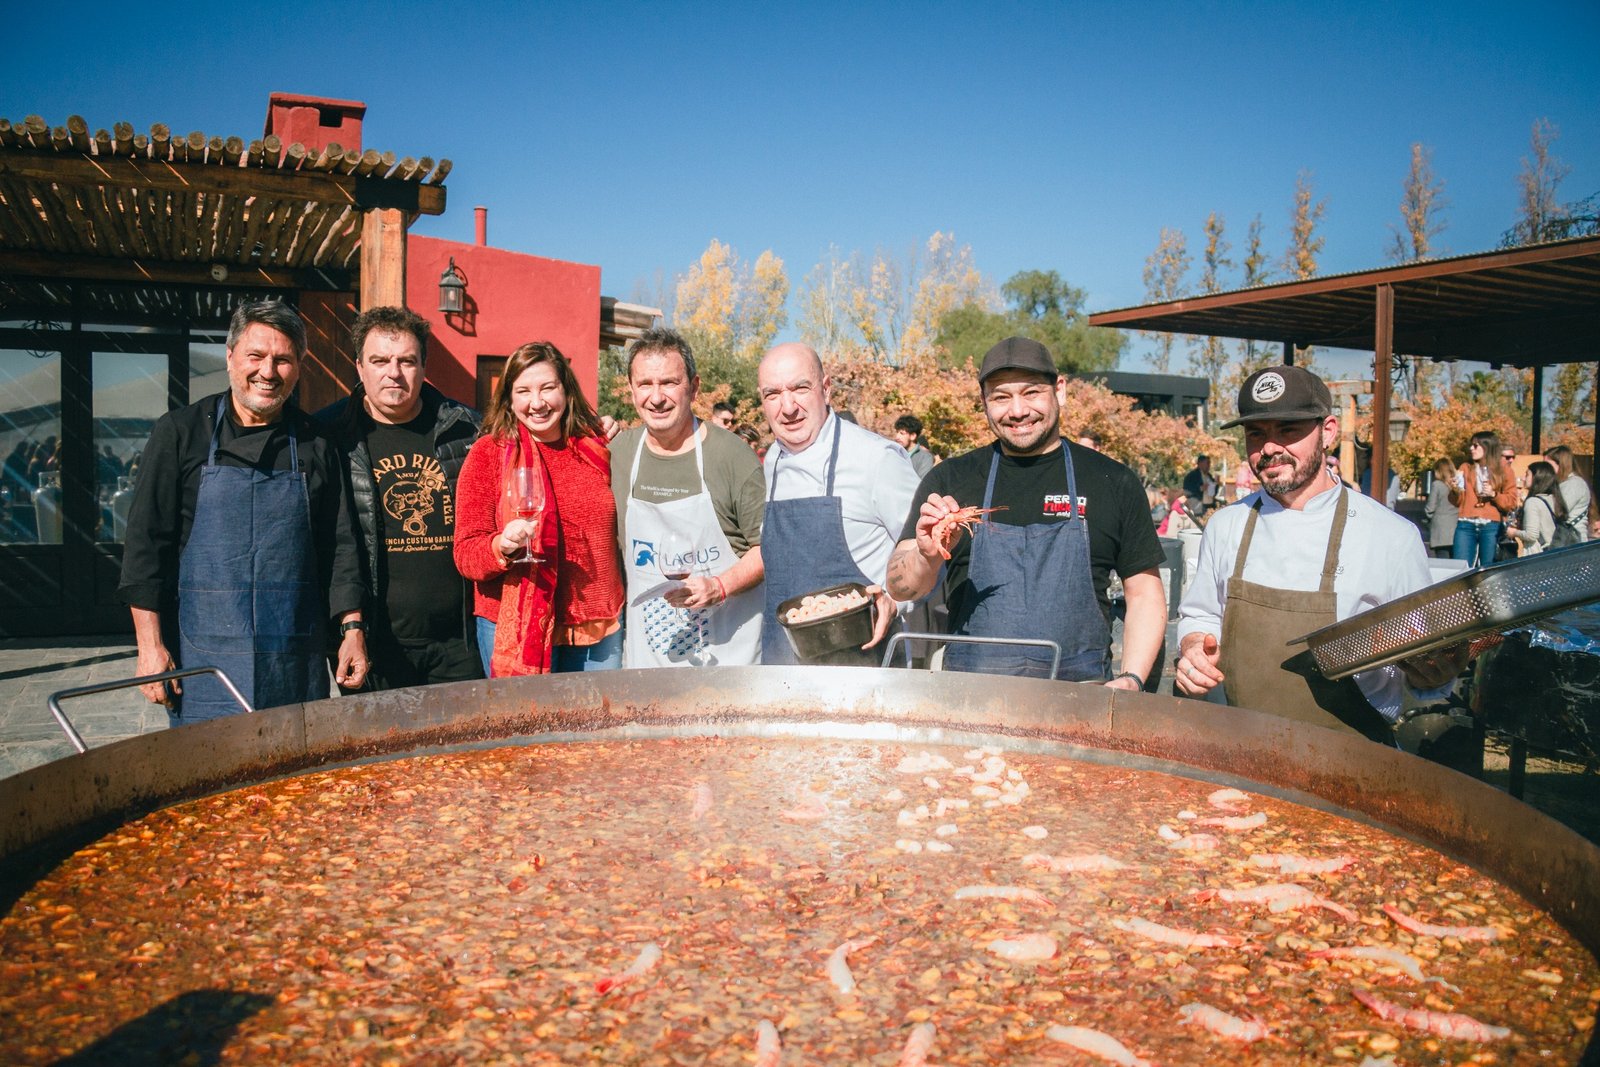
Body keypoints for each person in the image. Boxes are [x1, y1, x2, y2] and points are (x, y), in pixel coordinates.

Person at [1175, 366, 1456, 741]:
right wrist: (1195, 648)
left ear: (1328, 432)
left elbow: (1425, 670)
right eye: (1256, 434)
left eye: (1288, 429)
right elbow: (1202, 614)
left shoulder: (1390, 537)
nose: (1270, 447)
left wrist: (1432, 671)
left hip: (1353, 758)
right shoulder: (1226, 525)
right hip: (1241, 750)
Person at [119, 299, 367, 720]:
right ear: (231, 357)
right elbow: (146, 548)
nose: (268, 372)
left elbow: (340, 547)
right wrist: (150, 646)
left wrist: (352, 630)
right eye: (256, 356)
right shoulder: (180, 432)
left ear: (300, 366)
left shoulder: (316, 441)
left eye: (283, 360)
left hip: (292, 653)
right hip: (202, 655)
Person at [886, 337, 1166, 686]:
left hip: (1082, 701)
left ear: (1059, 390)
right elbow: (900, 588)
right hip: (971, 701)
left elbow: (1144, 594)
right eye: (1001, 397)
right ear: (984, 402)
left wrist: (1131, 679)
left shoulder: (1113, 481)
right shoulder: (950, 480)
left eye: (1031, 392)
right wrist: (926, 557)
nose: (1017, 411)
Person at [316, 306, 483, 690]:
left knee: (464, 751)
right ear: (359, 367)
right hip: (373, 642)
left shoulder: (468, 429)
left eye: (407, 361)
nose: (394, 372)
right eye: (379, 360)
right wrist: (348, 626)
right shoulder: (328, 435)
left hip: (460, 643)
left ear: (424, 366)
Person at [453, 342, 623, 676]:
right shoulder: (489, 453)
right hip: (513, 622)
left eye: (548, 388)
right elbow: (465, 552)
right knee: (526, 725)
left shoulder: (592, 448)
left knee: (596, 727)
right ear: (508, 398)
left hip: (597, 626)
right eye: (524, 391)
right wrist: (501, 546)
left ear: (566, 390)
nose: (537, 403)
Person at [611, 327, 765, 667]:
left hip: (726, 657)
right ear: (631, 391)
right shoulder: (618, 453)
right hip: (648, 662)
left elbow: (769, 549)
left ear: (693, 388)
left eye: (669, 383)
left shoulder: (732, 456)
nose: (656, 397)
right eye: (645, 384)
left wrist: (720, 586)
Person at [757, 342, 918, 665]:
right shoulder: (771, 459)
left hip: (865, 669)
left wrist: (893, 599)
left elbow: (929, 551)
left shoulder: (877, 459)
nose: (787, 407)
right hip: (784, 671)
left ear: (826, 389)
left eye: (800, 388)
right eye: (772, 394)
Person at [1449, 430, 1517, 566]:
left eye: (1475, 446)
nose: (1471, 449)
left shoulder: (1504, 470)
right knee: (1460, 568)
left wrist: (1494, 495)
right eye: (1471, 445)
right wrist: (1455, 490)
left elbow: (1512, 503)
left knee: (1490, 569)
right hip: (1466, 523)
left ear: (1487, 447)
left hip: (1491, 526)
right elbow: (1457, 502)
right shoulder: (1466, 468)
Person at [1510, 460, 1568, 556]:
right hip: (1555, 552)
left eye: (1527, 475)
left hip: (1537, 554)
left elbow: (1531, 535)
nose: (1523, 478)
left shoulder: (1532, 502)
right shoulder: (1554, 498)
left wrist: (1513, 532)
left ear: (1537, 477)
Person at [1543, 444, 1591, 543]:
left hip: (1572, 541)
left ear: (1561, 464)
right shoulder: (1562, 484)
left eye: (1548, 465)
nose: (1545, 470)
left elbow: (1557, 510)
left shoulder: (1574, 484)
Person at [1423, 457, 1459, 558]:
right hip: (1456, 529)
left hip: (1440, 532)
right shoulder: (1456, 486)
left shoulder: (1437, 485)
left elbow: (1430, 509)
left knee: (1443, 562)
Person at [1182, 454, 1220, 521]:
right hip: (1198, 506)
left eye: (1209, 463)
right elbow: (1186, 491)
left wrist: (1216, 484)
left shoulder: (1209, 476)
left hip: (1210, 505)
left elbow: (1214, 492)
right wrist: (1200, 488)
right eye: (1207, 463)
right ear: (1200, 463)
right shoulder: (1192, 476)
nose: (1209, 465)